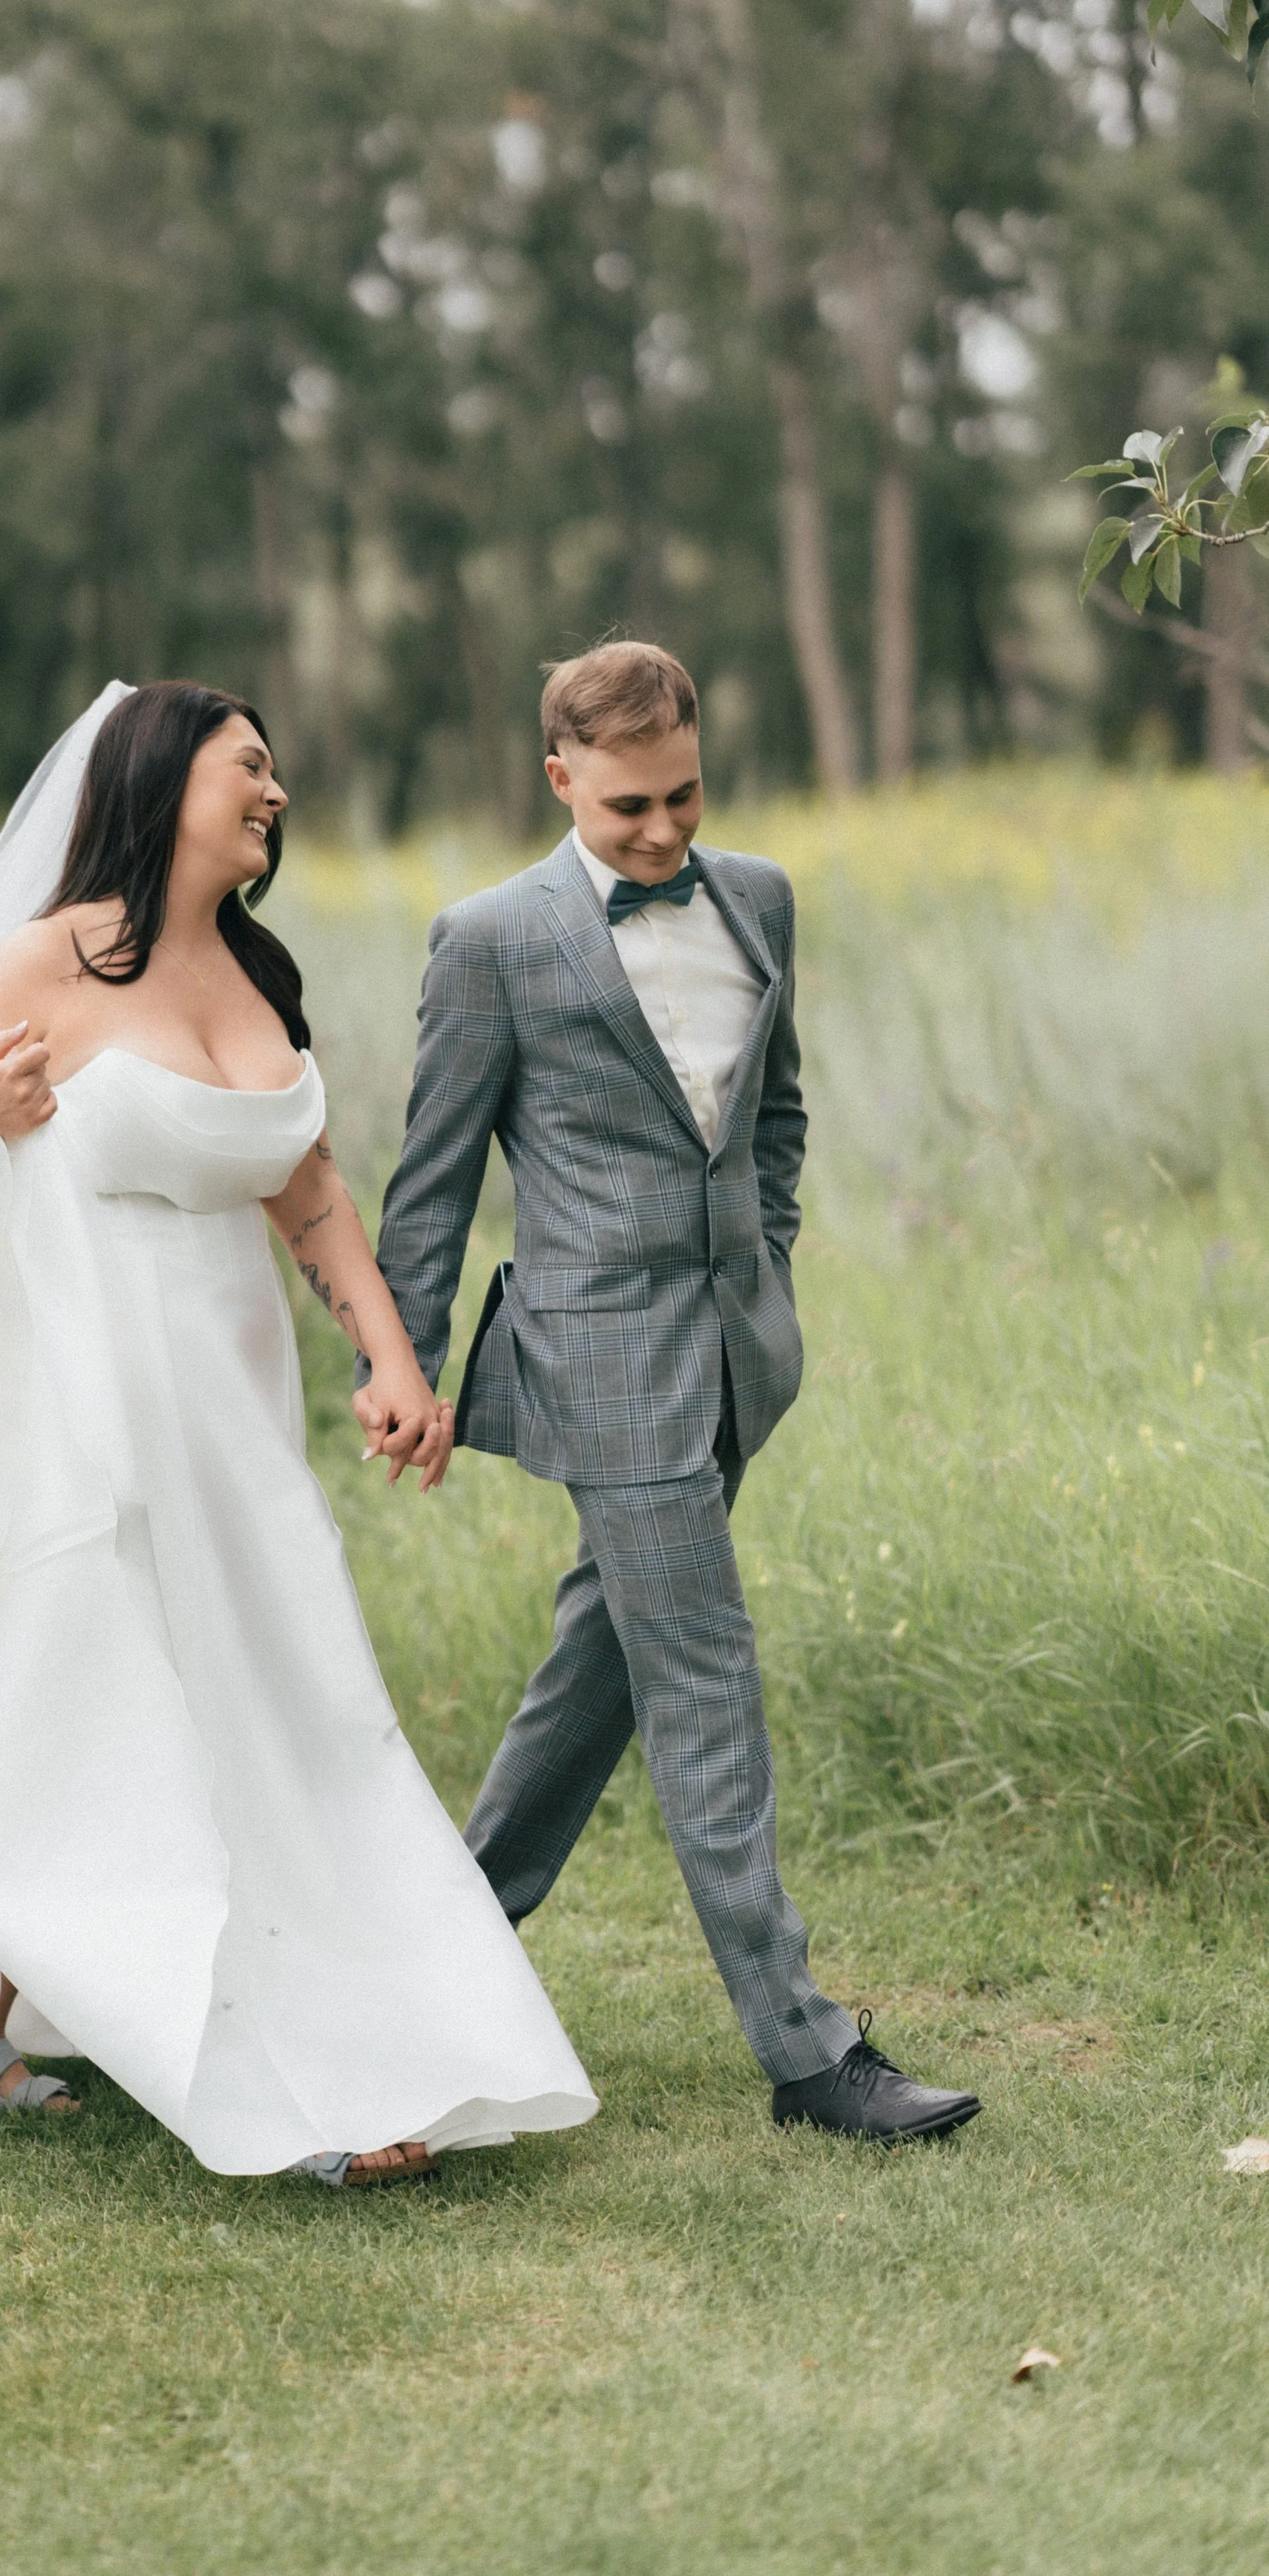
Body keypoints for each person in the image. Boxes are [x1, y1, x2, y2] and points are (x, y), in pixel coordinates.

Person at [0, 680, 595, 2186]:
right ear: (160, 776)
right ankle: (260, 2082)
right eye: (249, 766)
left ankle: (294, 2022)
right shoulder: (48, 960)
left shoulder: (257, 979)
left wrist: (385, 1359)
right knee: (106, 1729)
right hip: (80, 1413)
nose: (275, 794)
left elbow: (305, 1194)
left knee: (303, 1707)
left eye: (276, 772)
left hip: (232, 1424)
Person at [369, 640, 980, 2144]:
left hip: (730, 1358)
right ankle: (808, 2055)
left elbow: (774, 1113)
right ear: (560, 777)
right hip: (598, 1367)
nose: (660, 833)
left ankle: (415, 1965)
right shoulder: (489, 940)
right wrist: (406, 1369)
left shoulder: (758, 896)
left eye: (683, 797)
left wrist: (761, 1265)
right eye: (628, 806)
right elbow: (430, 1185)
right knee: (703, 1680)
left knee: (603, 1669)